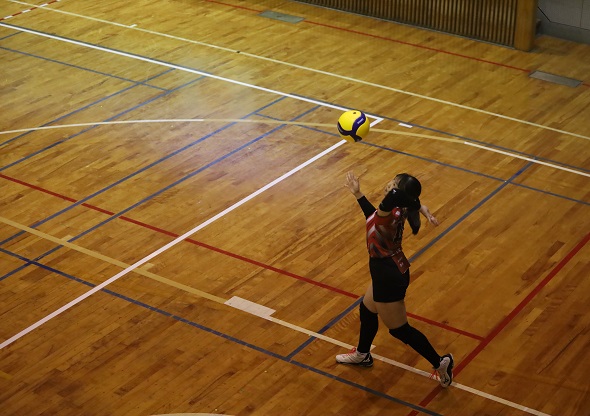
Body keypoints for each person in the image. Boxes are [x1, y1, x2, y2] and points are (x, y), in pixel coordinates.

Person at [335, 171, 454, 388]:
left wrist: (417, 204)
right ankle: (363, 354)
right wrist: (358, 194)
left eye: (394, 183)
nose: (389, 184)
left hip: (387, 275)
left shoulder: (392, 208)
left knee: (399, 330)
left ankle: (440, 363)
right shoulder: (398, 210)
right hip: (388, 269)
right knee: (367, 310)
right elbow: (373, 217)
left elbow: (393, 199)